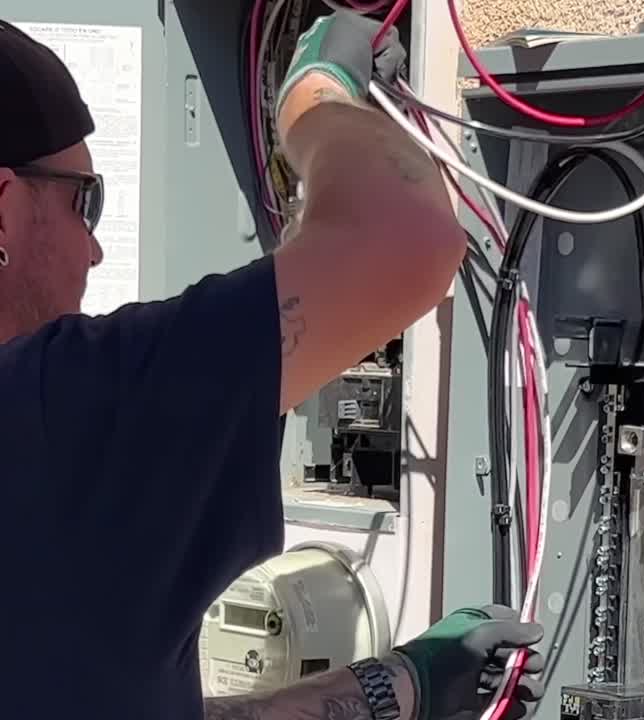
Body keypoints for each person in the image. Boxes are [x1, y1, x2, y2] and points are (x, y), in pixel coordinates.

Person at [0, 11, 542, 720]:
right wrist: (315, 93)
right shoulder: (62, 408)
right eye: (85, 202)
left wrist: (394, 687)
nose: (94, 251)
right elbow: (408, 236)